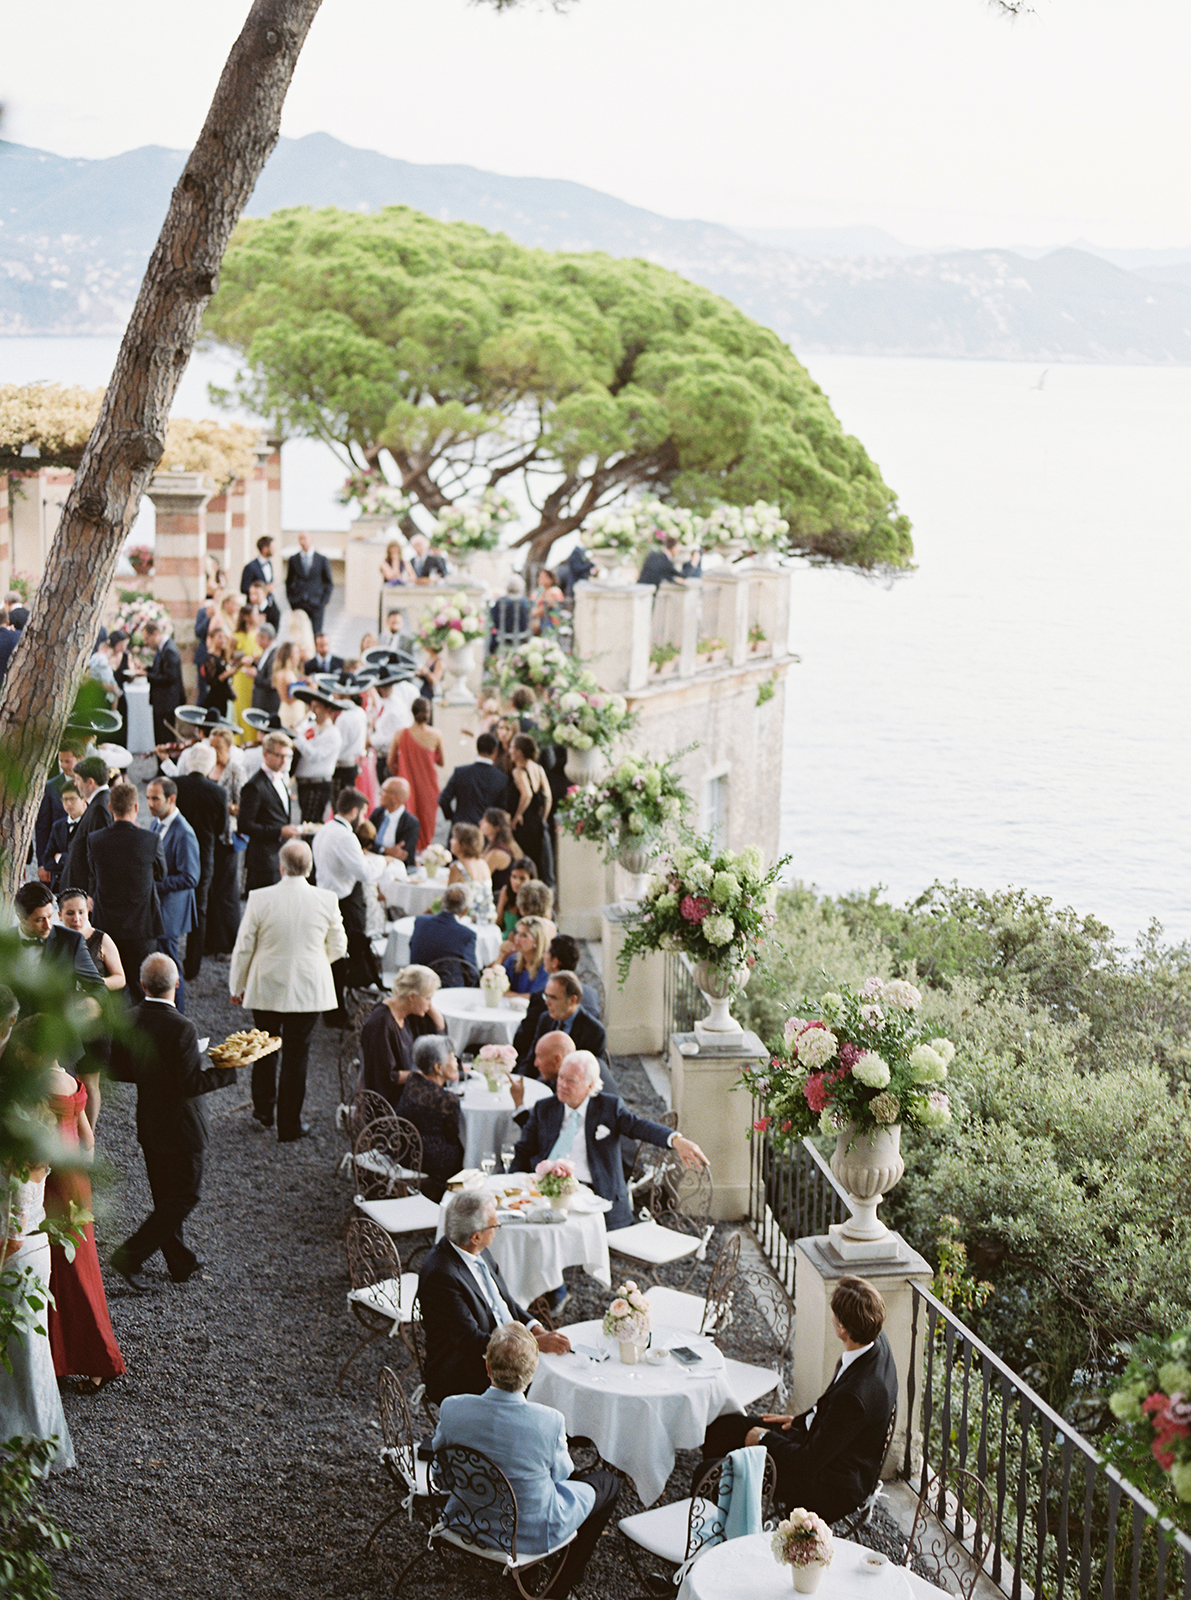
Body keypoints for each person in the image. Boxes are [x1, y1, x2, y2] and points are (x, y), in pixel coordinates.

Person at [433, 1322, 621, 1598]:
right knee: (608, 1483)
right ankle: (560, 1584)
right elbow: (562, 1475)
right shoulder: (550, 1421)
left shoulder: (452, 1408)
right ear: (532, 1373)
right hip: (527, 1537)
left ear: (487, 1368)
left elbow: (441, 1475)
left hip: (464, 1520)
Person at [700, 1275, 899, 1521]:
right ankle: (727, 1509)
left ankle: (721, 1528)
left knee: (707, 1472)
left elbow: (808, 1462)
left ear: (842, 1329)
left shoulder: (855, 1396)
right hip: (824, 1445)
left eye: (834, 1314)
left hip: (829, 1483)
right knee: (721, 1428)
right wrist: (801, 1420)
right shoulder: (875, 1342)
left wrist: (765, 1438)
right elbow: (835, 1416)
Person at [109, 954, 238, 1289]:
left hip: (150, 1121)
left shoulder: (130, 1018)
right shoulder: (182, 1028)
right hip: (183, 1128)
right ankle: (130, 1255)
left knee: (165, 1196)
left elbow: (119, 1069)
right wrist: (228, 1072)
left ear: (142, 985)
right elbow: (191, 1085)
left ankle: (180, 1263)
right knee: (185, 1196)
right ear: (176, 984)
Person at [229, 838, 347, 1140]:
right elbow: (338, 946)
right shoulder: (326, 899)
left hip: (267, 983)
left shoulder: (259, 897)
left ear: (281, 866)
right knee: (297, 1056)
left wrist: (237, 984)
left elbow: (244, 947)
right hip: (308, 988)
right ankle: (290, 1125)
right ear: (309, 867)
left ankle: (264, 1109)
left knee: (264, 1047)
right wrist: (316, 962)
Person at [512, 1051, 707, 1230]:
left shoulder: (608, 1107)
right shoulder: (545, 1108)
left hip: (592, 1191)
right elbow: (524, 1150)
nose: (561, 1085)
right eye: (560, 1077)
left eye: (571, 1080)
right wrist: (509, 1185)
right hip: (546, 1188)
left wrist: (676, 1140)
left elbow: (640, 1127)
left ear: (590, 1085)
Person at [0, 1017, 76, 1471]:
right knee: (31, 1356)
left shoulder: (22, 1152)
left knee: (22, 1357)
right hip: (36, 1250)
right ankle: (37, 1445)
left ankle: (26, 1451)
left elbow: (14, 1224)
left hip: (20, 1252)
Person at [416, 1190, 570, 1408]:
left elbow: (505, 1300)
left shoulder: (477, 1250)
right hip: (468, 1370)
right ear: (475, 1236)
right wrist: (532, 1345)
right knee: (553, 1386)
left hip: (503, 1344)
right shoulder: (441, 1276)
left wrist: (535, 1329)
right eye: (494, 1225)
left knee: (564, 1367)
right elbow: (471, 1342)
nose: (497, 1229)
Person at [43, 1052, 125, 1391]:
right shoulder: (72, 1082)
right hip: (77, 1181)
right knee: (78, 1269)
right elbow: (87, 1141)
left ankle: (95, 1360)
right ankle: (64, 1360)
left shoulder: (40, 1088)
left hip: (54, 1183)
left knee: (60, 1272)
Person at [84, 779, 163, 1006]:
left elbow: (93, 874)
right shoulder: (150, 839)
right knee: (142, 986)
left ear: (110, 808)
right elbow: (163, 873)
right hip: (142, 925)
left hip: (108, 925)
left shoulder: (95, 840)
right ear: (136, 807)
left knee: (112, 986)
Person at [310, 786, 387, 1017]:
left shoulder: (325, 829)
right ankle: (336, 1011)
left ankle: (333, 1005)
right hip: (343, 902)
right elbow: (364, 873)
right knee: (342, 955)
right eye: (363, 813)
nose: (363, 819)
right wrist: (383, 863)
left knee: (333, 954)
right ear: (354, 811)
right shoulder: (346, 836)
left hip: (324, 896)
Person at [56, 887, 125, 1126]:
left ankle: (90, 1132)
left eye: (81, 912)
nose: (76, 918)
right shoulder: (56, 942)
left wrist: (94, 985)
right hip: (65, 1020)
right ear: (60, 914)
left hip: (96, 1022)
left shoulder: (101, 939)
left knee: (91, 1080)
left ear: (89, 911)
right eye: (70, 913)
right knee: (66, 1078)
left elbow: (120, 978)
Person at [174, 742, 229, 984]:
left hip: (176, 851)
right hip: (203, 853)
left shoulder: (174, 784)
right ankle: (193, 965)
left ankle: (169, 955)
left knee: (172, 901)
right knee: (201, 908)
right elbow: (222, 829)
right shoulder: (219, 792)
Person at [145, 777, 200, 1015]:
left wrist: (153, 885)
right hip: (159, 907)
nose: (149, 803)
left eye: (155, 798)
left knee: (170, 964)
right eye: (147, 798)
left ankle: (178, 1014)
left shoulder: (184, 832)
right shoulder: (157, 824)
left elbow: (190, 877)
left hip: (170, 910)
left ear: (171, 799)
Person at [358, 965, 445, 1106]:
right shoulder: (381, 1024)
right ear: (412, 997)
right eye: (428, 998)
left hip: (405, 1091)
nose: (429, 1005)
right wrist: (424, 1076)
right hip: (388, 1104)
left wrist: (429, 1005)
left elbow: (440, 1032)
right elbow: (386, 1077)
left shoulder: (406, 1013)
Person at [394, 1034, 463, 1201]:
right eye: (452, 1058)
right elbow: (452, 1136)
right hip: (425, 1158)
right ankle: (444, 1198)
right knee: (463, 1151)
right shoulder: (447, 1101)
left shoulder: (412, 1080)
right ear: (438, 1068)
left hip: (400, 1147)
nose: (457, 1063)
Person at [511, 935, 601, 1063]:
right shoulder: (592, 993)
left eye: (546, 952)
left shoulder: (539, 999)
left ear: (555, 962)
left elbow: (523, 1043)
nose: (542, 956)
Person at [238, 731, 300, 890]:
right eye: (280, 756)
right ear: (265, 754)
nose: (284, 761)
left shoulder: (281, 779)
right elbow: (244, 825)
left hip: (281, 858)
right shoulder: (254, 786)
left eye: (287, 756)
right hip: (263, 862)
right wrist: (279, 831)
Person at [205, 725, 245, 953]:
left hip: (228, 836)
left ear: (229, 747)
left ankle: (229, 942)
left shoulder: (236, 770)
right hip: (209, 834)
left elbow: (243, 807)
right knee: (210, 888)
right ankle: (210, 941)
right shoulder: (207, 766)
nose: (214, 753)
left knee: (226, 891)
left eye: (218, 748)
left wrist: (224, 805)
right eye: (211, 748)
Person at [516, 969, 606, 1070]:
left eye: (553, 998)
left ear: (572, 1000)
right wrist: (522, 1080)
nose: (547, 1003)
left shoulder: (594, 1031)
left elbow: (585, 1074)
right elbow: (531, 1059)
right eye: (546, 996)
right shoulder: (545, 1019)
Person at [393, 697, 443, 851]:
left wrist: (401, 772)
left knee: (408, 818)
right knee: (427, 820)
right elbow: (441, 761)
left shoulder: (401, 733)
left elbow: (390, 760)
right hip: (428, 784)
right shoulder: (436, 734)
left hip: (406, 783)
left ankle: (410, 852)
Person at [59, 753, 112, 894]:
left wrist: (92, 893)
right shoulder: (98, 803)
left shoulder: (100, 807)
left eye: (77, 779)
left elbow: (98, 855)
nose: (75, 784)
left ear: (90, 782)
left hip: (84, 891)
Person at [409, 884, 478, 988]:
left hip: (417, 983)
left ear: (442, 902)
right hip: (449, 988)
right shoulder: (466, 935)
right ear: (465, 910)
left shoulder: (420, 921)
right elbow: (472, 974)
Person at [439, 733, 512, 828]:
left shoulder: (460, 772)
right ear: (495, 751)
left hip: (460, 826)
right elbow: (501, 809)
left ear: (477, 748)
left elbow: (443, 799)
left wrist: (453, 818)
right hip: (484, 830)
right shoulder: (501, 778)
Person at [292, 686, 343, 822]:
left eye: (317, 707)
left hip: (317, 785)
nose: (313, 711)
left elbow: (314, 755)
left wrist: (297, 737)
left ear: (328, 709)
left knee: (311, 823)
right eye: (312, 706)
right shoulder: (309, 727)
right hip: (303, 783)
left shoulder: (332, 733)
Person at [510, 734, 554, 887]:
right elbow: (548, 797)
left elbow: (527, 794)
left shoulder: (519, 771)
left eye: (512, 748)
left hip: (526, 825)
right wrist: (543, 818)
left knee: (526, 862)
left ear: (519, 752)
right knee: (539, 863)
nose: (509, 751)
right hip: (538, 822)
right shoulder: (539, 768)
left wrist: (517, 815)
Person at [141, 620, 186, 744]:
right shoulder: (163, 648)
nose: (146, 642)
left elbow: (170, 677)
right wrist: (146, 669)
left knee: (165, 738)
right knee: (160, 738)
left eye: (146, 638)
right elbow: (160, 670)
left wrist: (146, 675)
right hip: (162, 701)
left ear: (155, 634)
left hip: (166, 702)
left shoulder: (169, 650)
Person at [285, 530, 334, 637]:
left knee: (316, 634)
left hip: (316, 603)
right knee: (300, 634)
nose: (303, 542)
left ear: (311, 540)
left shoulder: (321, 559)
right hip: (299, 602)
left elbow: (329, 582)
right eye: (300, 539)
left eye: (305, 538)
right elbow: (289, 581)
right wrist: (292, 600)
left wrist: (325, 601)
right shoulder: (294, 559)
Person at [44, 779, 87, 892]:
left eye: (72, 799)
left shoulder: (89, 825)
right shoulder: (58, 826)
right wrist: (68, 862)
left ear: (84, 800)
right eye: (65, 800)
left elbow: (85, 862)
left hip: (83, 888)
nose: (68, 803)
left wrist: (60, 857)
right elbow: (47, 861)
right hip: (60, 887)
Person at [447, 822, 494, 921]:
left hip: (466, 919)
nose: (451, 841)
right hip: (488, 917)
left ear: (463, 844)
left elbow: (449, 901)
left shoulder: (457, 867)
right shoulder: (483, 863)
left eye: (454, 838)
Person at [368, 776, 420, 863]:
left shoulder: (411, 822)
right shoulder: (377, 813)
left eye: (384, 791)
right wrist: (384, 850)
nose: (379, 793)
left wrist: (378, 849)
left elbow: (402, 854)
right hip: (373, 861)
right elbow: (365, 841)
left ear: (395, 797)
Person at [231, 603, 264, 739]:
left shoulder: (257, 634)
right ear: (246, 617)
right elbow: (230, 658)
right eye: (255, 614)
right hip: (241, 678)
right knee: (242, 709)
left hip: (254, 677)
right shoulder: (236, 636)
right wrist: (243, 660)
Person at [502, 916, 550, 996]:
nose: (517, 938)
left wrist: (511, 995)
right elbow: (496, 985)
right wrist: (501, 955)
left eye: (524, 935)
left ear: (537, 941)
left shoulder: (545, 966)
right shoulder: (513, 960)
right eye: (517, 933)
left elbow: (537, 998)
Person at [201, 623, 238, 719]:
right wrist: (226, 674)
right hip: (215, 699)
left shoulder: (223, 657)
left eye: (224, 637)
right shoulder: (211, 659)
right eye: (220, 637)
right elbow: (211, 681)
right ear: (213, 639)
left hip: (224, 698)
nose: (223, 640)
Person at [480, 807, 516, 902]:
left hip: (496, 899)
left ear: (496, 828)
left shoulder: (497, 853)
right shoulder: (492, 845)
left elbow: (480, 877)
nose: (480, 823)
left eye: (485, 821)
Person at [240, 535, 280, 623]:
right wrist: (264, 590)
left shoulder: (269, 563)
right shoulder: (250, 567)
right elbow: (244, 588)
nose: (275, 549)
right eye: (272, 547)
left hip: (268, 603)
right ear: (265, 549)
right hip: (255, 607)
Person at [488, 575, 531, 653]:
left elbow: (493, 617)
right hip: (522, 636)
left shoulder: (501, 601)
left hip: (502, 635)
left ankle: (491, 653)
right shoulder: (525, 602)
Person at [496, 856, 536, 938]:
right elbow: (498, 921)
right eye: (514, 877)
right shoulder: (506, 891)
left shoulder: (535, 897)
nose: (517, 882)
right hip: (504, 940)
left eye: (522, 878)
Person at [530, 567, 565, 636]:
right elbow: (533, 598)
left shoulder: (554, 591)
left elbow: (546, 606)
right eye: (540, 577)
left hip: (551, 622)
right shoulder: (541, 590)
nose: (540, 580)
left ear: (550, 579)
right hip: (541, 619)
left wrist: (535, 612)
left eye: (543, 578)